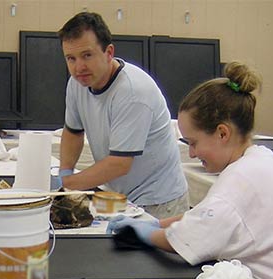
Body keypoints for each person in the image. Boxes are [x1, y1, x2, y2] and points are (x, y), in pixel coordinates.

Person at [108, 62, 273, 279]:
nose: (192, 154)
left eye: (193, 143)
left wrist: (144, 234)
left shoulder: (241, 180)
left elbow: (186, 240)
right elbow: (205, 215)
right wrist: (157, 223)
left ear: (222, 133)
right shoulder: (258, 160)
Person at [54, 12, 189, 219]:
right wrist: (65, 171)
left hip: (158, 202)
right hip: (119, 195)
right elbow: (73, 132)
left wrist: (67, 185)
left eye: (87, 55)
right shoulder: (77, 83)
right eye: (71, 58)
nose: (78, 67)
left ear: (108, 52)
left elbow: (119, 163)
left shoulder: (132, 92)